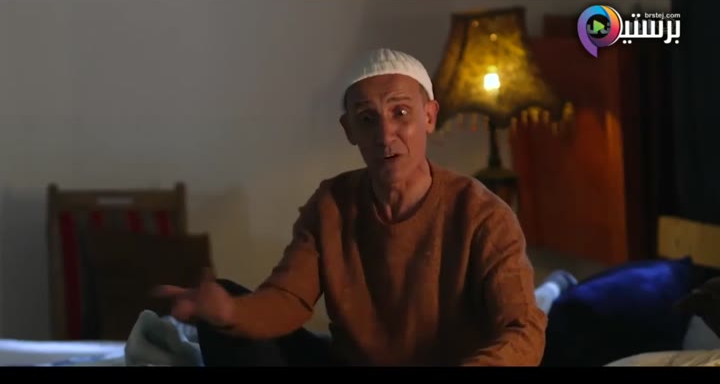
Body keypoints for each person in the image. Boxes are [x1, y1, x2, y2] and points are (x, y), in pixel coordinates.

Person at [154, 48, 548, 366]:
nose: (385, 134)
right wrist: (228, 313)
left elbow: (522, 329)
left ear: (429, 116)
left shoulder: (483, 214)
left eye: (400, 113)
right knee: (227, 307)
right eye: (367, 119)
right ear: (349, 130)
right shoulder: (332, 204)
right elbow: (288, 299)